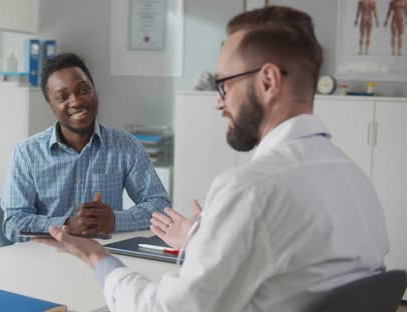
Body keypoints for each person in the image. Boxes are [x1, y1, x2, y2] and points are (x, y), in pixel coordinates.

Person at [37, 6, 389, 311]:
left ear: (268, 81)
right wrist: (203, 240)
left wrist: (97, 258)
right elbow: (292, 269)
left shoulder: (250, 189)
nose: (219, 102)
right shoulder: (354, 179)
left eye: (224, 84)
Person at [1, 53, 170, 241]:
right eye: (62, 96)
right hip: (46, 258)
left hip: (102, 256)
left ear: (94, 91)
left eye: (83, 90)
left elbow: (160, 205)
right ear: (51, 106)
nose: (75, 101)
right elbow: (13, 223)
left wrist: (115, 220)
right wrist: (65, 225)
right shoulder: (27, 153)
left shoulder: (126, 146)